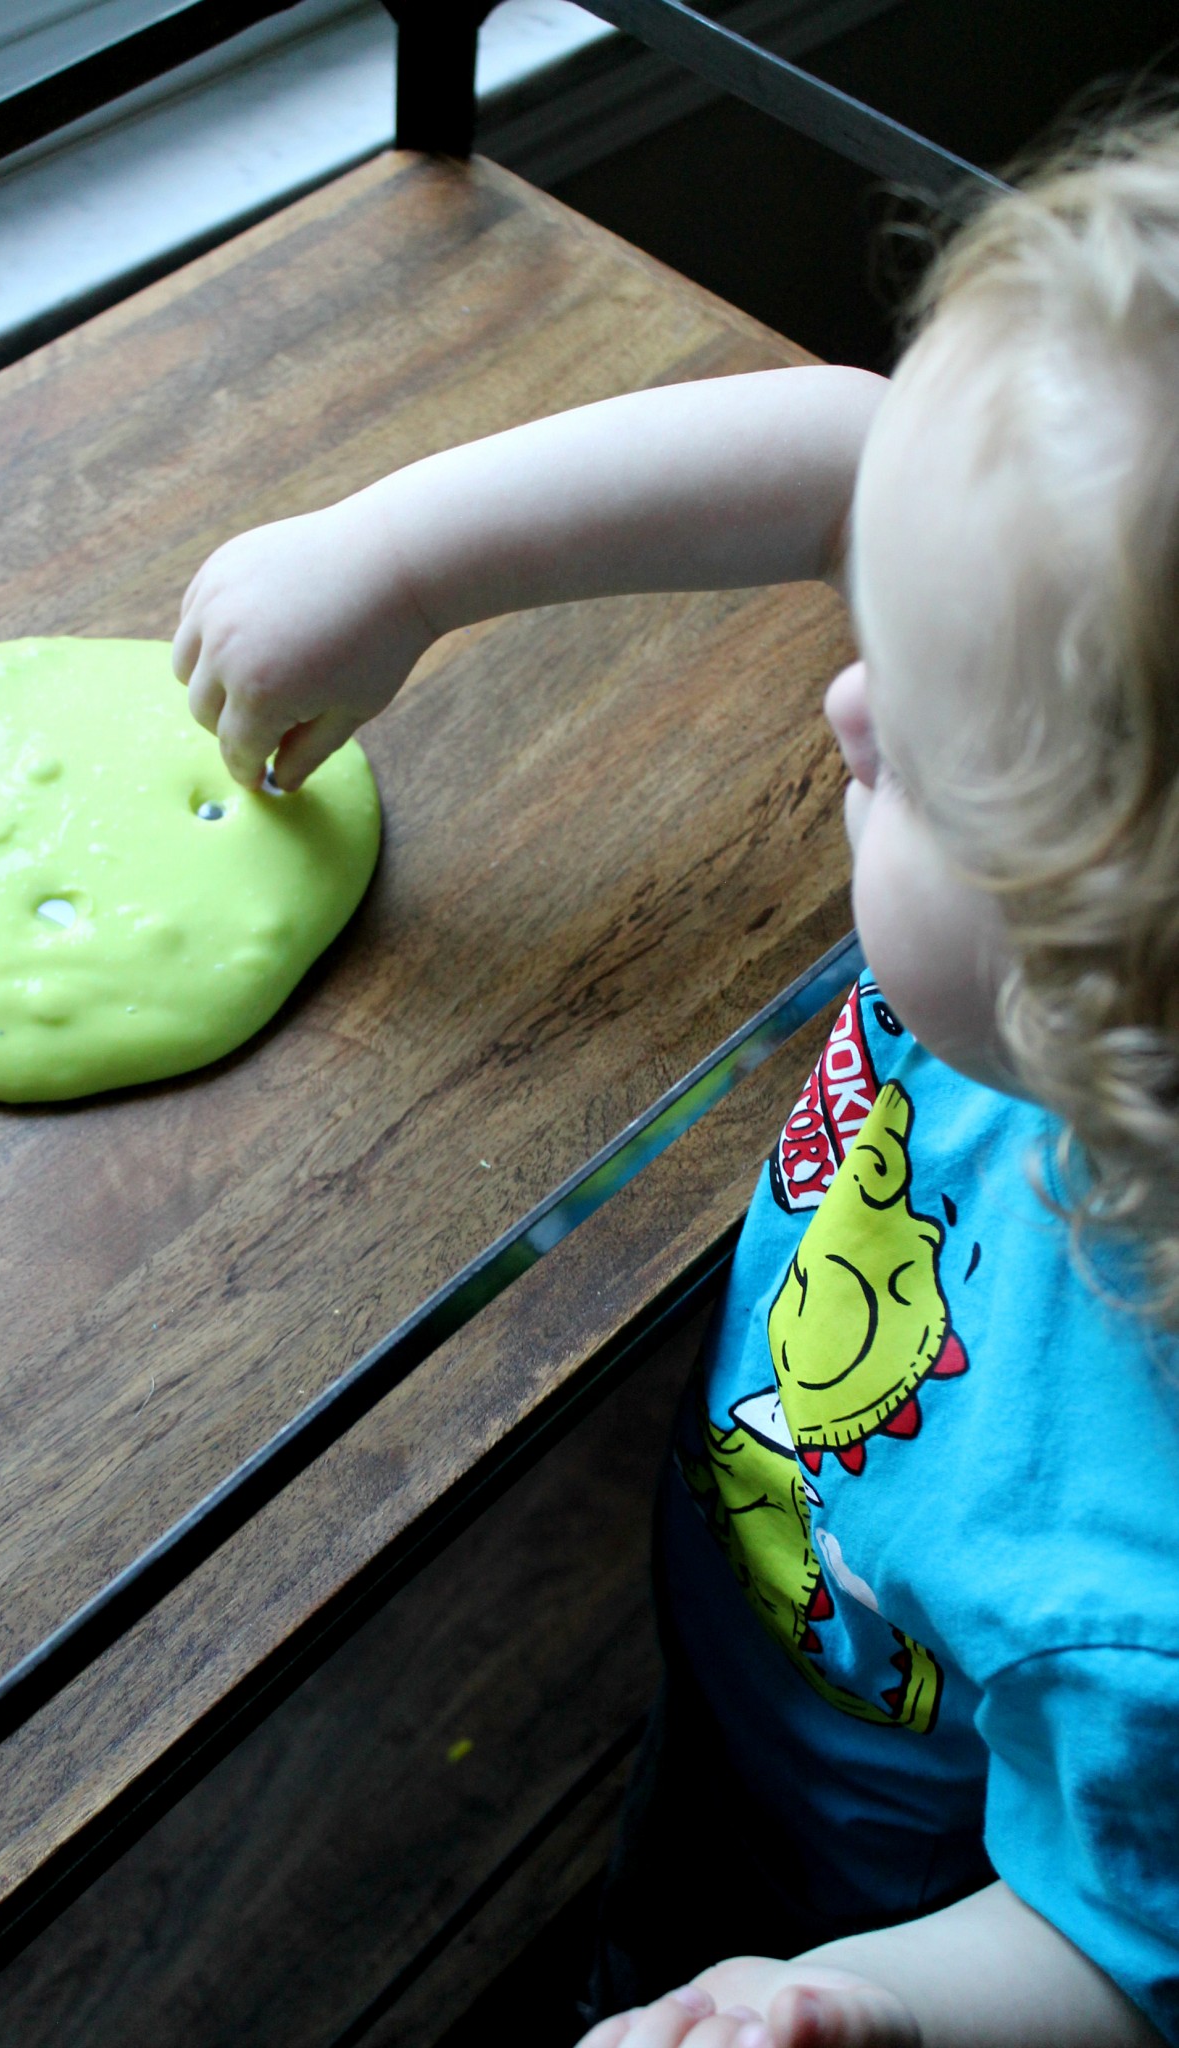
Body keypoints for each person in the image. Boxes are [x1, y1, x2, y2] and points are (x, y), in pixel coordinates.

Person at [172, 121, 1179, 2048]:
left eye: (924, 745)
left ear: (1092, 996)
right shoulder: (1087, 696)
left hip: (883, 1847)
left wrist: (853, 2010)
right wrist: (397, 558)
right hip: (787, 1572)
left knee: (683, 1923)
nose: (845, 701)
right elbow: (845, 457)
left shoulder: (1143, 1624)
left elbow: (1108, 1948)